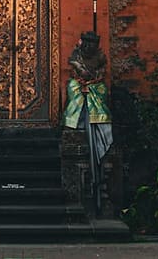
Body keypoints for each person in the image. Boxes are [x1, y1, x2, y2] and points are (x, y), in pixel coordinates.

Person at [62, 31, 113, 210]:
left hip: (94, 84)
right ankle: (74, 123)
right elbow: (76, 69)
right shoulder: (76, 55)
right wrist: (82, 78)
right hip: (80, 83)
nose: (89, 47)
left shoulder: (100, 56)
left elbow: (100, 72)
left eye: (93, 44)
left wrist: (94, 79)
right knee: (73, 89)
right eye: (87, 43)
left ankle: (96, 123)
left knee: (100, 92)